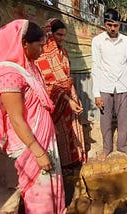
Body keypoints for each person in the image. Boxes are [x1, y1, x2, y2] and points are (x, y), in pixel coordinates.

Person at [0, 19, 65, 213]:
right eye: (39, 45)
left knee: (50, 186)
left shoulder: (28, 68)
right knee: (39, 193)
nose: (42, 50)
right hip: (31, 146)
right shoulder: (8, 74)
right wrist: (38, 152)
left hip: (42, 140)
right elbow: (16, 119)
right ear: (24, 43)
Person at [35, 18, 86, 168]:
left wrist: (74, 97)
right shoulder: (42, 54)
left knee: (72, 128)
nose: (62, 38)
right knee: (57, 132)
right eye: (59, 35)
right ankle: (60, 164)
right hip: (54, 101)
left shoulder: (62, 51)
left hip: (69, 96)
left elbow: (66, 76)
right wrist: (67, 98)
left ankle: (73, 159)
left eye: (64, 35)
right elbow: (48, 83)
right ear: (50, 34)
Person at [91, 8, 127, 161]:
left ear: (119, 25)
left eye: (115, 25)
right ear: (105, 24)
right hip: (105, 86)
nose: (113, 28)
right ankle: (106, 148)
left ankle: (123, 146)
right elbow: (95, 67)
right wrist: (96, 94)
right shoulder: (97, 41)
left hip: (123, 86)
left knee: (124, 119)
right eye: (110, 25)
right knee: (105, 120)